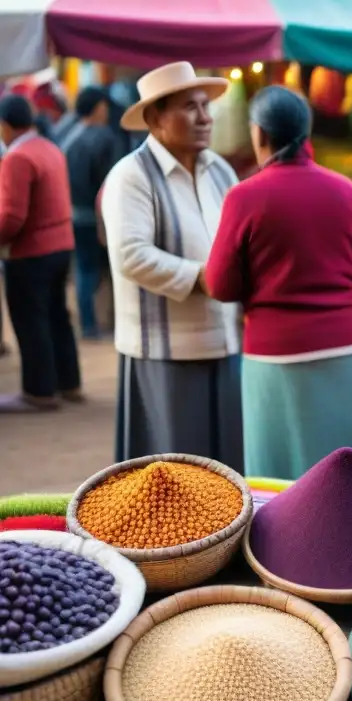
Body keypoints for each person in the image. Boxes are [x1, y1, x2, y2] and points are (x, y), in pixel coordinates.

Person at [205, 87, 352, 480]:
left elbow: (219, 285)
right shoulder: (347, 190)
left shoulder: (245, 196)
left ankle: (282, 543)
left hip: (275, 350)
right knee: (341, 469)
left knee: (277, 474)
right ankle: (346, 539)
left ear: (259, 134)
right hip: (344, 346)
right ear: (307, 132)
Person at [101, 62, 243, 469]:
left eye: (205, 106)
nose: (205, 118)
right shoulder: (132, 176)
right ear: (154, 119)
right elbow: (131, 255)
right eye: (189, 107)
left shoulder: (220, 171)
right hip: (163, 350)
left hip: (224, 342)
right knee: (173, 476)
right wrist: (203, 277)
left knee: (225, 473)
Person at [0, 95, 81, 412]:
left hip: (31, 252)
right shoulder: (49, 147)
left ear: (5, 126)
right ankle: (68, 383)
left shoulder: (17, 157)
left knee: (31, 322)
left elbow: (11, 217)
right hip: (61, 246)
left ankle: (38, 391)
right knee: (58, 317)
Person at [62, 86, 120, 339]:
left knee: (84, 270)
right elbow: (111, 183)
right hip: (98, 217)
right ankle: (107, 323)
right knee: (105, 271)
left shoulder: (69, 136)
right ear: (98, 108)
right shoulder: (104, 137)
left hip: (73, 215)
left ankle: (88, 323)